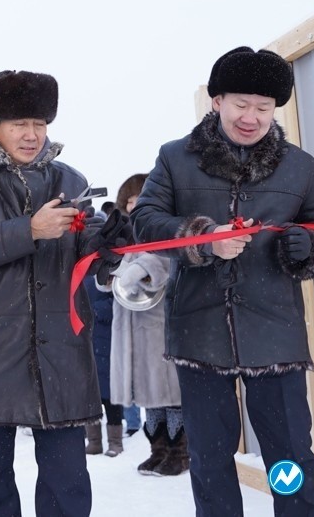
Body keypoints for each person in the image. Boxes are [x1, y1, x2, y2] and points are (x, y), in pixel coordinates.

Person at [131, 46, 314, 516]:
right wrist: (202, 238)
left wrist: (309, 247)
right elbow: (144, 222)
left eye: (263, 108)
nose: (251, 117)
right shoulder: (175, 159)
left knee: (289, 460)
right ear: (217, 100)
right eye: (240, 104)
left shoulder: (299, 166)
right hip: (199, 333)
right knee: (210, 459)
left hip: (275, 336)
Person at [0, 70, 131, 517]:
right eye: (19, 124)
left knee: (68, 483)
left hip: (59, 346)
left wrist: (111, 245)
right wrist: (30, 229)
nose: (31, 135)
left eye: (40, 124)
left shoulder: (71, 179)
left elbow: (88, 254)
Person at [100, 174, 189, 476]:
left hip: (159, 323)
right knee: (148, 395)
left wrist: (137, 269)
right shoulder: (124, 234)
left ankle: (180, 452)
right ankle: (157, 450)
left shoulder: (164, 228)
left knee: (169, 390)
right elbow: (110, 273)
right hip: (130, 325)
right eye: (129, 200)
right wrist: (109, 270)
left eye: (139, 198)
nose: (133, 204)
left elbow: (165, 262)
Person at [83, 274, 123, 457]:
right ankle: (94, 441)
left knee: (110, 395)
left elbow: (119, 301)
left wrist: (93, 310)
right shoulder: (80, 274)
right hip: (85, 340)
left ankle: (115, 442)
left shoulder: (109, 273)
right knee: (90, 395)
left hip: (107, 341)